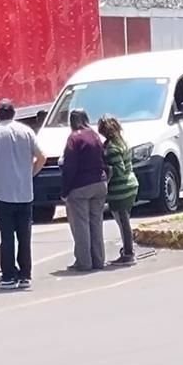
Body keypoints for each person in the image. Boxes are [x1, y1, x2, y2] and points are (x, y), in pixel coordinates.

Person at [0, 99, 46, 290]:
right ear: (14, 113)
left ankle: (8, 275)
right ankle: (25, 275)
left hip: (3, 193)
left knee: (7, 236)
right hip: (25, 193)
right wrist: (29, 173)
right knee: (24, 236)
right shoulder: (26, 131)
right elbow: (42, 157)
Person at [61, 109, 108, 271]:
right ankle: (98, 260)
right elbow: (104, 158)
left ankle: (84, 262)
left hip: (80, 186)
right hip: (100, 184)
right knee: (96, 223)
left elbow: (70, 167)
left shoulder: (74, 138)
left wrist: (65, 191)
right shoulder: (95, 136)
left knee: (81, 225)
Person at [98, 115, 139, 266]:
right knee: (125, 220)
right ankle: (128, 250)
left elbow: (118, 169)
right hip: (131, 185)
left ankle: (129, 253)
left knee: (123, 222)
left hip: (120, 189)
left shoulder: (112, 149)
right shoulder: (122, 143)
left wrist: (105, 173)